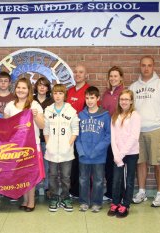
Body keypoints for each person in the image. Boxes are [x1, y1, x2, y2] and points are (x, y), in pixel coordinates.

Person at [129, 56, 160, 207]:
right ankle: (142, 192)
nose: (146, 68)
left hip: (156, 130)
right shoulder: (133, 87)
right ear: (139, 66)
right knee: (140, 163)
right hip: (138, 132)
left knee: (159, 163)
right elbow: (130, 110)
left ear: (153, 66)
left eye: (149, 65)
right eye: (143, 65)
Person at [4, 77, 45, 212]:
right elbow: (5, 127)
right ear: (15, 89)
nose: (21, 90)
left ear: (29, 90)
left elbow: (42, 125)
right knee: (21, 174)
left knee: (30, 174)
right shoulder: (10, 105)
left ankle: (31, 202)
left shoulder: (35, 105)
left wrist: (35, 116)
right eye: (19, 87)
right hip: (16, 147)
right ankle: (25, 200)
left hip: (32, 145)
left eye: (24, 88)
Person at [43, 84, 79, 212]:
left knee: (65, 176)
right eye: (55, 93)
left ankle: (65, 197)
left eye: (60, 93)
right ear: (52, 94)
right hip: (51, 151)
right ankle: (54, 197)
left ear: (65, 95)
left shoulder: (71, 111)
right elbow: (46, 130)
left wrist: (68, 145)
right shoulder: (48, 110)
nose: (58, 96)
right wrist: (48, 145)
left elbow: (75, 130)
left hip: (66, 151)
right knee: (52, 175)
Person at [76, 86, 111, 213]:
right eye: (87, 98)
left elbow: (108, 136)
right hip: (84, 155)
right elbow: (77, 135)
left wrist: (97, 150)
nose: (89, 100)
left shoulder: (105, 116)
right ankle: (84, 202)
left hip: (99, 156)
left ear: (98, 98)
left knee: (98, 180)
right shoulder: (81, 115)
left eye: (92, 98)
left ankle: (97, 202)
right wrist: (81, 151)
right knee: (83, 180)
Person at [108, 89, 141, 218]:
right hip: (117, 155)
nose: (124, 102)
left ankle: (125, 204)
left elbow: (134, 137)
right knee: (116, 180)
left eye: (126, 99)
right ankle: (115, 202)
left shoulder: (135, 115)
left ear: (131, 101)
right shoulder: (115, 115)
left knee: (128, 180)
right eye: (122, 99)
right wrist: (116, 154)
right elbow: (113, 137)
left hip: (130, 154)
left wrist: (121, 155)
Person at [101, 66, 125, 202]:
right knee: (109, 165)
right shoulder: (106, 94)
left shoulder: (124, 93)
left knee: (119, 165)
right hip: (107, 135)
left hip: (120, 135)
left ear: (121, 77)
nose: (113, 78)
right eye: (111, 76)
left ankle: (120, 194)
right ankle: (110, 192)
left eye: (116, 76)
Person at [67, 64, 90, 198]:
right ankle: (74, 191)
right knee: (73, 163)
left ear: (86, 75)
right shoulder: (69, 91)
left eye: (81, 72)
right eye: (76, 72)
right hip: (70, 134)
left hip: (84, 134)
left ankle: (84, 191)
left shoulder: (89, 91)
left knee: (84, 164)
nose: (78, 74)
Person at [34, 77, 54, 198]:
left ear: (48, 88)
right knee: (34, 166)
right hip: (33, 139)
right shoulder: (31, 100)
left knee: (48, 166)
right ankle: (34, 188)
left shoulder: (51, 102)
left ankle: (48, 188)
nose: (42, 87)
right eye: (40, 85)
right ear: (36, 86)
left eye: (44, 85)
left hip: (48, 138)